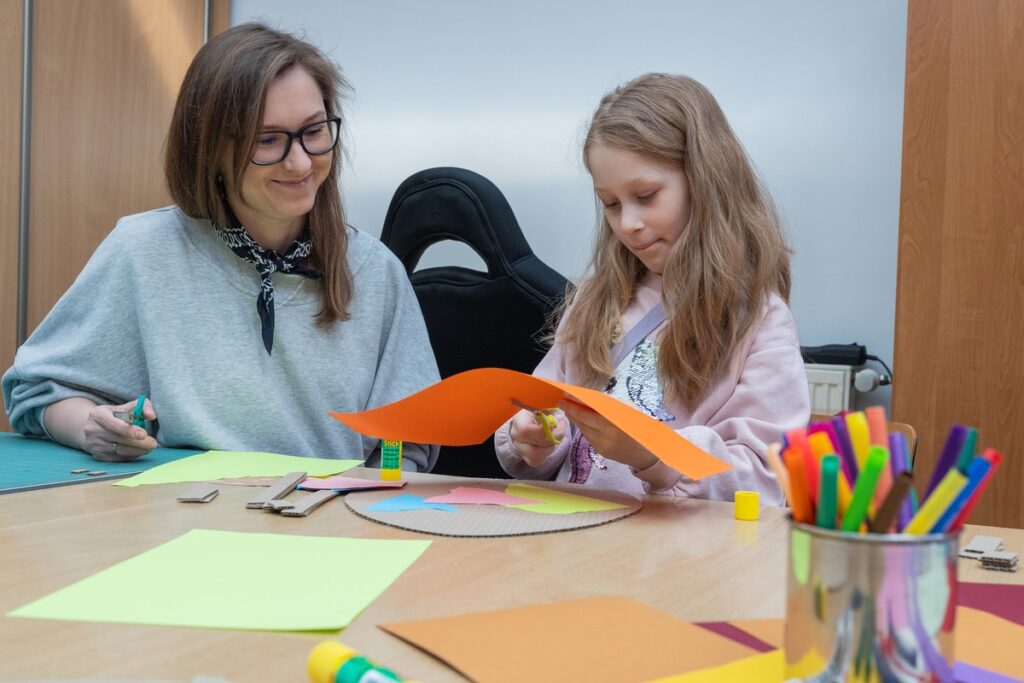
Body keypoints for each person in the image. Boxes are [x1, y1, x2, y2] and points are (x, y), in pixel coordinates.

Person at [2, 23, 440, 470]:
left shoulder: (376, 271)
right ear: (209, 150)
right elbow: (36, 389)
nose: (300, 162)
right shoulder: (142, 252)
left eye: (313, 131)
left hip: (326, 523)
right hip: (173, 519)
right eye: (267, 140)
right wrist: (91, 427)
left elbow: (407, 440)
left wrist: (376, 490)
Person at [495, 73, 809, 503]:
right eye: (610, 203)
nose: (627, 224)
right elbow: (543, 414)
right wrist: (532, 436)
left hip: (682, 561)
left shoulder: (759, 319)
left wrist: (653, 456)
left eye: (645, 195)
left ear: (705, 181)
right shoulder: (594, 301)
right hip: (575, 548)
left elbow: (766, 477)